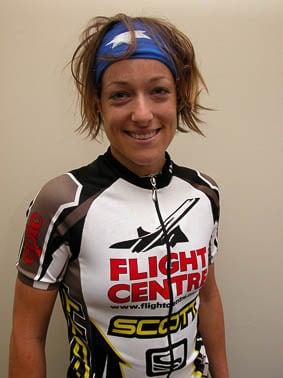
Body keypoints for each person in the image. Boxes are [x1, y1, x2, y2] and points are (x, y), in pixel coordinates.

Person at [9, 13, 229, 378]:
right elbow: (27, 334)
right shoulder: (63, 201)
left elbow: (206, 298)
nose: (142, 114)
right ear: (99, 103)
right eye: (120, 95)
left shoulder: (204, 193)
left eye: (158, 91)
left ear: (179, 97)